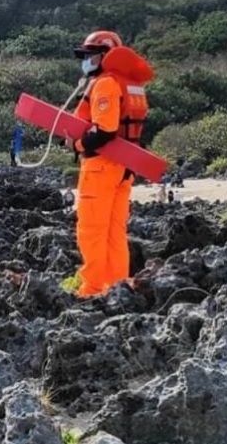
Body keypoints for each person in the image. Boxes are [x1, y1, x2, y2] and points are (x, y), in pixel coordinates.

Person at [66, 30, 154, 297]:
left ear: (105, 56)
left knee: (92, 230)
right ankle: (117, 287)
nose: (86, 61)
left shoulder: (106, 83)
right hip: (124, 169)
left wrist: (77, 144)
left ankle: (92, 289)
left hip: (101, 166)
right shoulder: (132, 85)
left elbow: (104, 130)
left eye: (91, 55)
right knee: (115, 231)